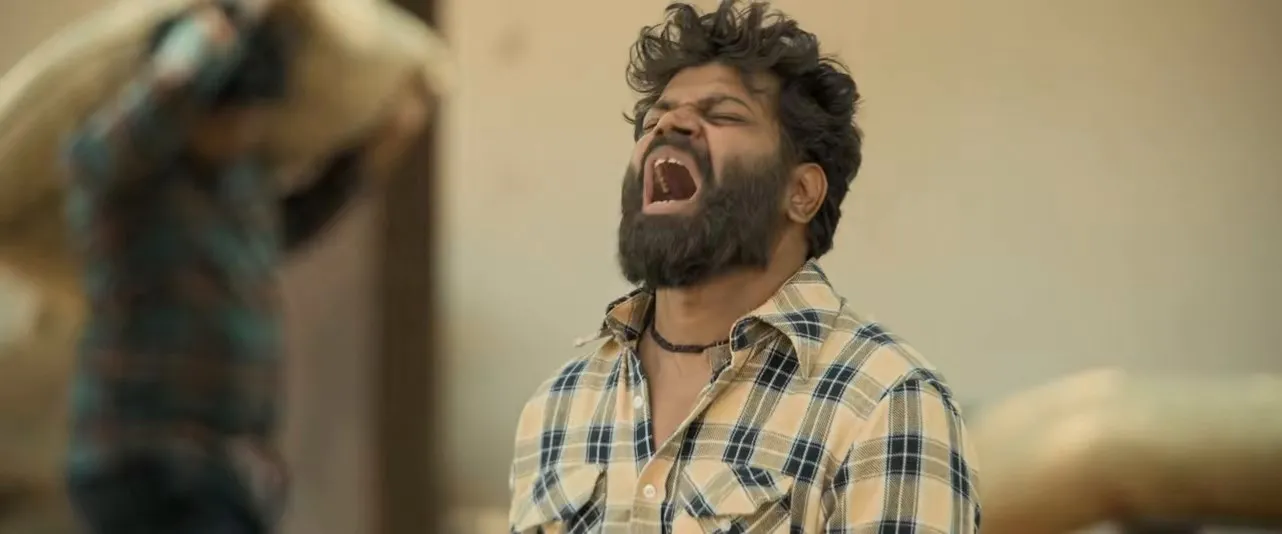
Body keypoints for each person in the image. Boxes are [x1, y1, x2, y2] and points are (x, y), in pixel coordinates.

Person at [507, 1, 980, 532]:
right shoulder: (558, 405)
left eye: (724, 115)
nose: (670, 124)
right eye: (654, 118)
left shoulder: (885, 404)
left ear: (801, 192)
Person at [60, 0, 428, 532]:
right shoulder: (127, 185)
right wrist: (222, 26)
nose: (242, 134)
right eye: (229, 117)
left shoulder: (241, 187)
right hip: (145, 462)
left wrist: (370, 156)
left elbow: (292, 223)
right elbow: (161, 96)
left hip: (224, 467)